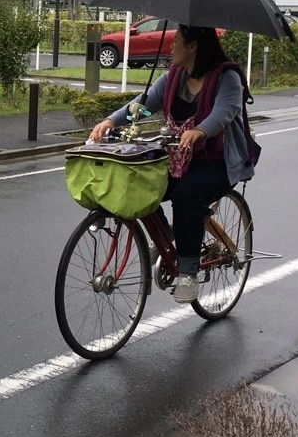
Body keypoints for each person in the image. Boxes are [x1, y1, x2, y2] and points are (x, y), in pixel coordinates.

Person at [89, 25, 258, 304]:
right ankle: (165, 233)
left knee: (185, 196)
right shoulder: (173, 78)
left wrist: (201, 130)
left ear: (193, 46)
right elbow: (143, 105)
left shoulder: (226, 77)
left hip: (217, 162)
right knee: (138, 181)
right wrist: (111, 121)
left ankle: (188, 272)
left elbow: (225, 111)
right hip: (179, 157)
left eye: (177, 41)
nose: (171, 46)